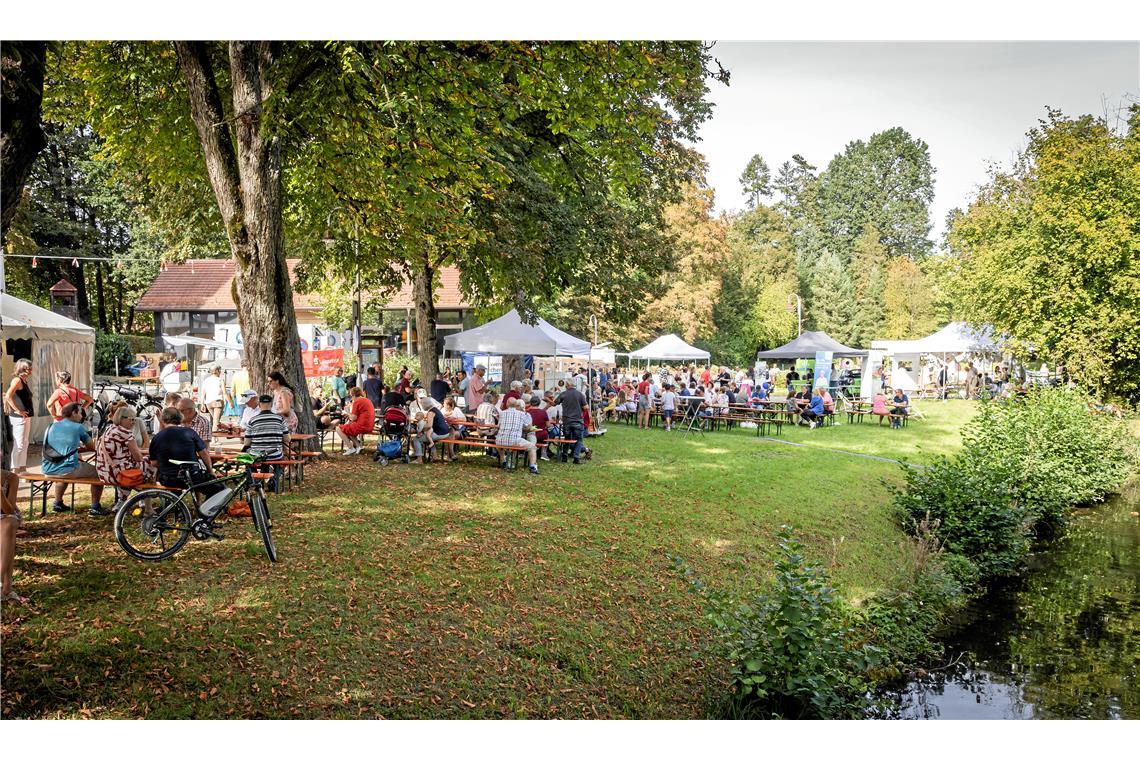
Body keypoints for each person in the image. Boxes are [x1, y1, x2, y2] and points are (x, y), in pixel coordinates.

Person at [42, 402, 106, 515]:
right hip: (67, 470)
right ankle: (95, 507)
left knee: (64, 468)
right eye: (80, 412)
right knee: (99, 473)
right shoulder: (78, 427)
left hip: (47, 469)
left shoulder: (50, 426)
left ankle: (57, 503)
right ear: (74, 413)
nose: (82, 416)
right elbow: (92, 447)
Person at [149, 407, 220, 496]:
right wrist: (210, 470)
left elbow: (154, 463)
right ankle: (206, 505)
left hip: (167, 479)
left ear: (163, 419)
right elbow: (204, 453)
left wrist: (167, 465)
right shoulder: (189, 432)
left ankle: (175, 503)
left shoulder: (156, 437)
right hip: (192, 477)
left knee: (175, 489)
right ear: (180, 418)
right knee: (219, 489)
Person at [95, 405, 155, 499]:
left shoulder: (109, 429)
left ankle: (123, 500)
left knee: (131, 465)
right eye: (131, 419)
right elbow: (138, 458)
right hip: (118, 475)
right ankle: (148, 493)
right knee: (152, 461)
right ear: (122, 418)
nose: (134, 422)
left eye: (135, 420)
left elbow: (122, 452)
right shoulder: (126, 433)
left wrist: (143, 451)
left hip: (103, 474)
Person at [494, 398, 539, 474]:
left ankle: (504, 461)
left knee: (499, 445)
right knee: (532, 447)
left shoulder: (502, 413)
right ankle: (533, 467)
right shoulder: (521, 414)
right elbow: (528, 426)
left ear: (507, 404)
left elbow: (499, 426)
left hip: (500, 440)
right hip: (514, 441)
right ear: (515, 405)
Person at [4, 359, 34, 474]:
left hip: (25, 416)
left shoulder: (24, 380)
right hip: (19, 418)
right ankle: (14, 471)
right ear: (22, 369)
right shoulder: (17, 380)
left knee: (25, 443)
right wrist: (18, 410)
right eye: (28, 369)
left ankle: (22, 469)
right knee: (19, 444)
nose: (31, 371)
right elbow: (8, 396)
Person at [244, 395, 290, 460]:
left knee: (247, 451)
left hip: (257, 456)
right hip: (275, 455)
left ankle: (253, 467)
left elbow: (246, 443)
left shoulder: (252, 420)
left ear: (259, 405)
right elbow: (287, 439)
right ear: (271, 405)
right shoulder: (280, 419)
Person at [335, 387, 376, 456]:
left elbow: (353, 418)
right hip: (370, 425)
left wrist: (347, 411)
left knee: (338, 428)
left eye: (351, 396)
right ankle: (359, 447)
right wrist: (349, 415)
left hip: (362, 426)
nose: (351, 398)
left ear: (353, 395)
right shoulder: (367, 400)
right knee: (349, 428)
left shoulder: (357, 401)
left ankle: (351, 448)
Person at [410, 395, 451, 464]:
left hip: (440, 433)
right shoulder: (435, 409)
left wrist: (420, 430)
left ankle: (419, 459)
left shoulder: (431, 412)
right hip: (445, 432)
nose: (422, 406)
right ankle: (435, 456)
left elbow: (429, 425)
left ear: (425, 405)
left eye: (422, 405)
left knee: (416, 439)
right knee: (429, 437)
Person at [556, 382, 588, 465]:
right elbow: (586, 407)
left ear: (567, 386)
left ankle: (564, 457)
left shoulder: (564, 394)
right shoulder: (580, 394)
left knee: (567, 439)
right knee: (579, 440)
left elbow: (555, 403)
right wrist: (580, 409)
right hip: (577, 421)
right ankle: (576, 458)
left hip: (566, 421)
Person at [200, 366, 231, 432]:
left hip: (209, 403)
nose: (220, 372)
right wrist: (230, 403)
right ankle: (214, 437)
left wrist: (202, 404)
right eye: (220, 370)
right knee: (216, 422)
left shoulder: (206, 380)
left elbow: (203, 393)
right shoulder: (220, 380)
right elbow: (225, 393)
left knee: (214, 420)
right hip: (217, 402)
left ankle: (214, 434)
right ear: (217, 371)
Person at [442, 396, 468, 461]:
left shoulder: (456, 409)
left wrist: (454, 419)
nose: (443, 405)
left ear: (449, 405)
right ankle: (452, 454)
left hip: (459, 430)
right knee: (449, 434)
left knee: (450, 434)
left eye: (444, 404)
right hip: (446, 430)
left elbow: (464, 419)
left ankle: (449, 456)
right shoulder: (442, 410)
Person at [525, 394, 551, 459]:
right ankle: (543, 453)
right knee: (547, 434)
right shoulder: (543, 412)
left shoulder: (527, 412)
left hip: (529, 434)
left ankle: (523, 453)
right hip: (541, 435)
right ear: (539, 403)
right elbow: (548, 425)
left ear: (530, 403)